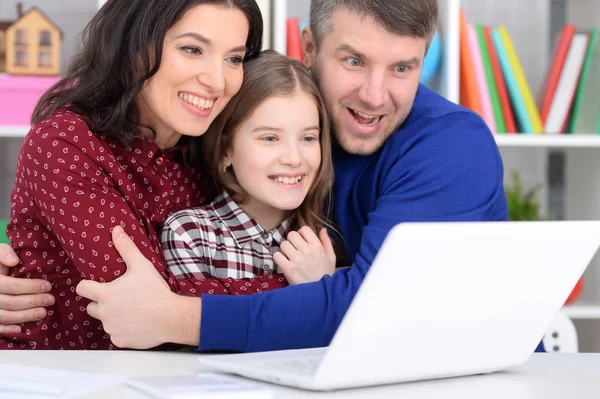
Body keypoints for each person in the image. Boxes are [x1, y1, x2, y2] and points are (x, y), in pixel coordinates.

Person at [1, 0, 542, 352]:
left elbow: (384, 308)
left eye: (402, 68)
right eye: (353, 61)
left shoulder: (449, 146)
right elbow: (141, 287)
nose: (376, 95)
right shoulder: (215, 134)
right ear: (309, 50)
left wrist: (178, 317)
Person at [0, 0, 264, 350]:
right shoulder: (66, 141)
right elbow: (147, 306)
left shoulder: (216, 152)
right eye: (192, 49)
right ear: (133, 45)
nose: (217, 81)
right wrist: (305, 294)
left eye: (234, 58)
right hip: (58, 376)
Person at [162, 50, 339, 292]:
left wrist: (324, 283)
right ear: (226, 150)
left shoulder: (326, 240)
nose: (294, 158)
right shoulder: (190, 235)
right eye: (270, 138)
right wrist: (317, 292)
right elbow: (200, 328)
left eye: (308, 138)